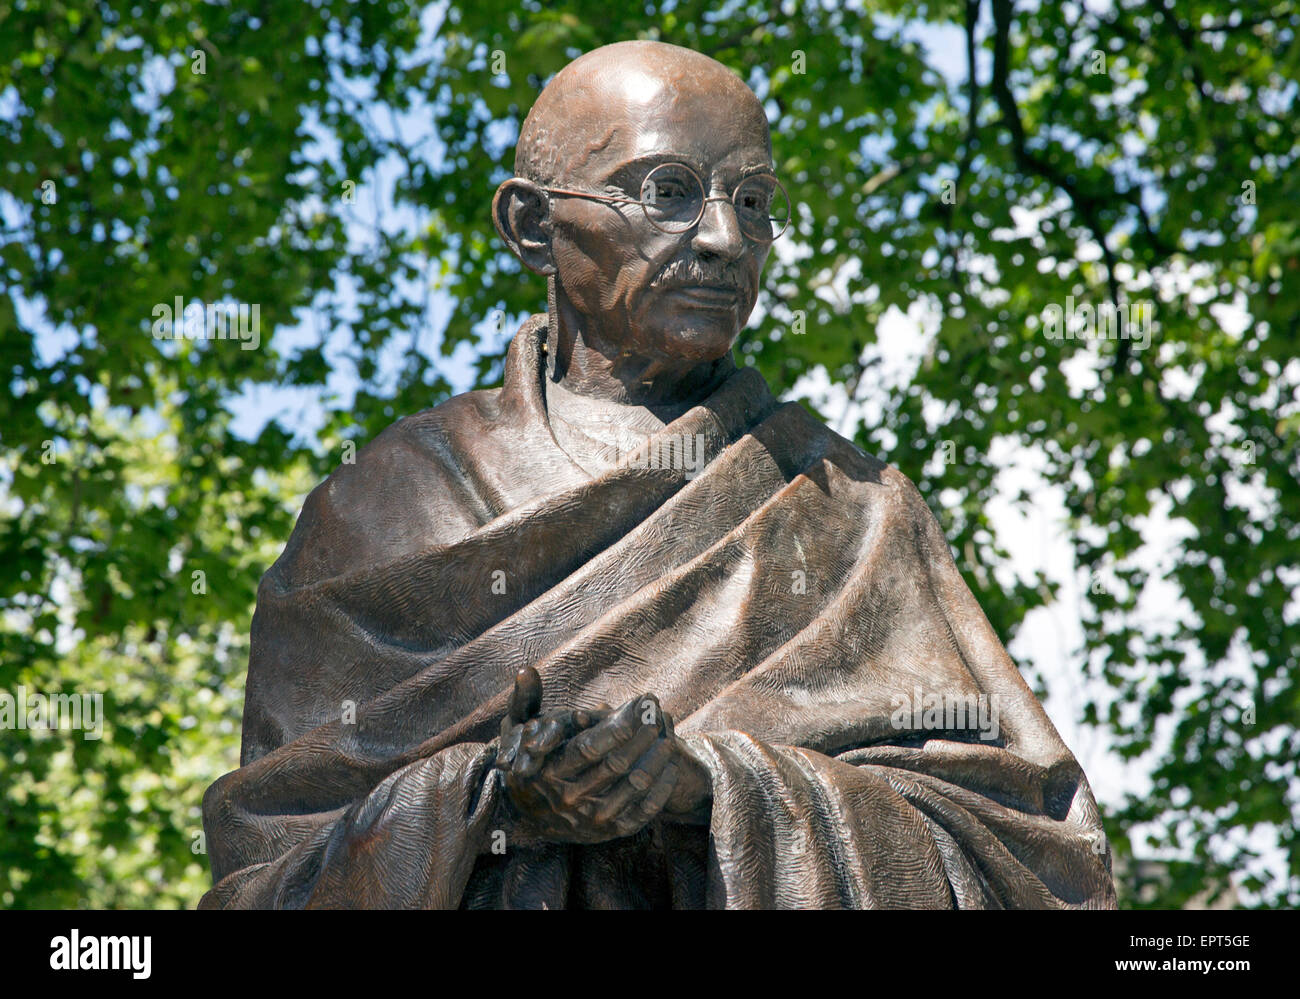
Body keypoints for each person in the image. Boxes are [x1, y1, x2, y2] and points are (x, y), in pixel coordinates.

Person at [200, 39, 1117, 909]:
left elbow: (1032, 866)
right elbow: (263, 881)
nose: (724, 238)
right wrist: (486, 801)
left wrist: (710, 787)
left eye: (752, 202)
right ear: (531, 224)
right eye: (667, 192)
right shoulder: (381, 506)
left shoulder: (850, 508)